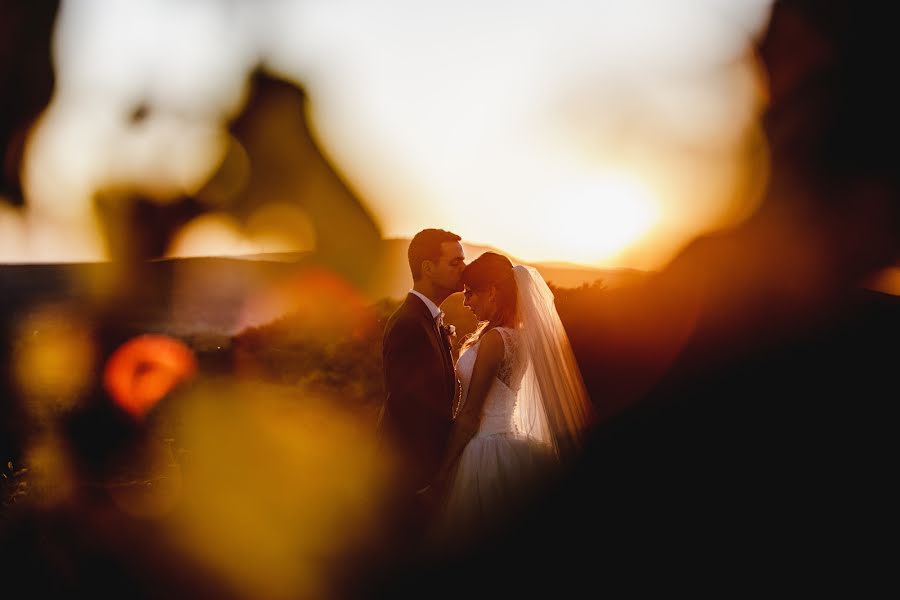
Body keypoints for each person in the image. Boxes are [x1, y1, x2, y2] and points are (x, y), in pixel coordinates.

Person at [424, 252, 594, 554]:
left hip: (484, 449)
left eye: (470, 293)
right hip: (510, 442)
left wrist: (441, 474)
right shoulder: (519, 337)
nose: (466, 302)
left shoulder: (494, 341)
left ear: (492, 291)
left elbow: (471, 414)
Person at [376, 228, 466, 558]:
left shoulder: (430, 320)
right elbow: (406, 407)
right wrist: (425, 483)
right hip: (410, 481)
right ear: (428, 268)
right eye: (455, 262)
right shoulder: (409, 324)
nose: (463, 269)